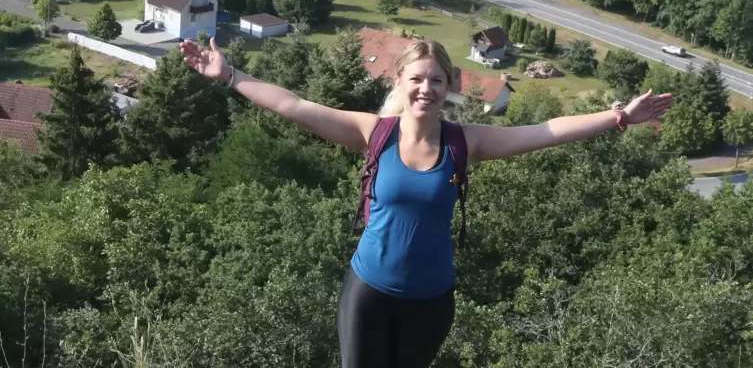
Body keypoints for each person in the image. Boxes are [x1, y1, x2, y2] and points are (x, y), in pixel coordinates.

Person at [180, 36, 673, 368]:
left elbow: (543, 132)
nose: (426, 88)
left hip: (431, 302)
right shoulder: (373, 133)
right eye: (416, 78)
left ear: (450, 87)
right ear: (398, 82)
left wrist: (617, 119)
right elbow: (293, 105)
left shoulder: (466, 142)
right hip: (368, 293)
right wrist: (230, 75)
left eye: (436, 80)